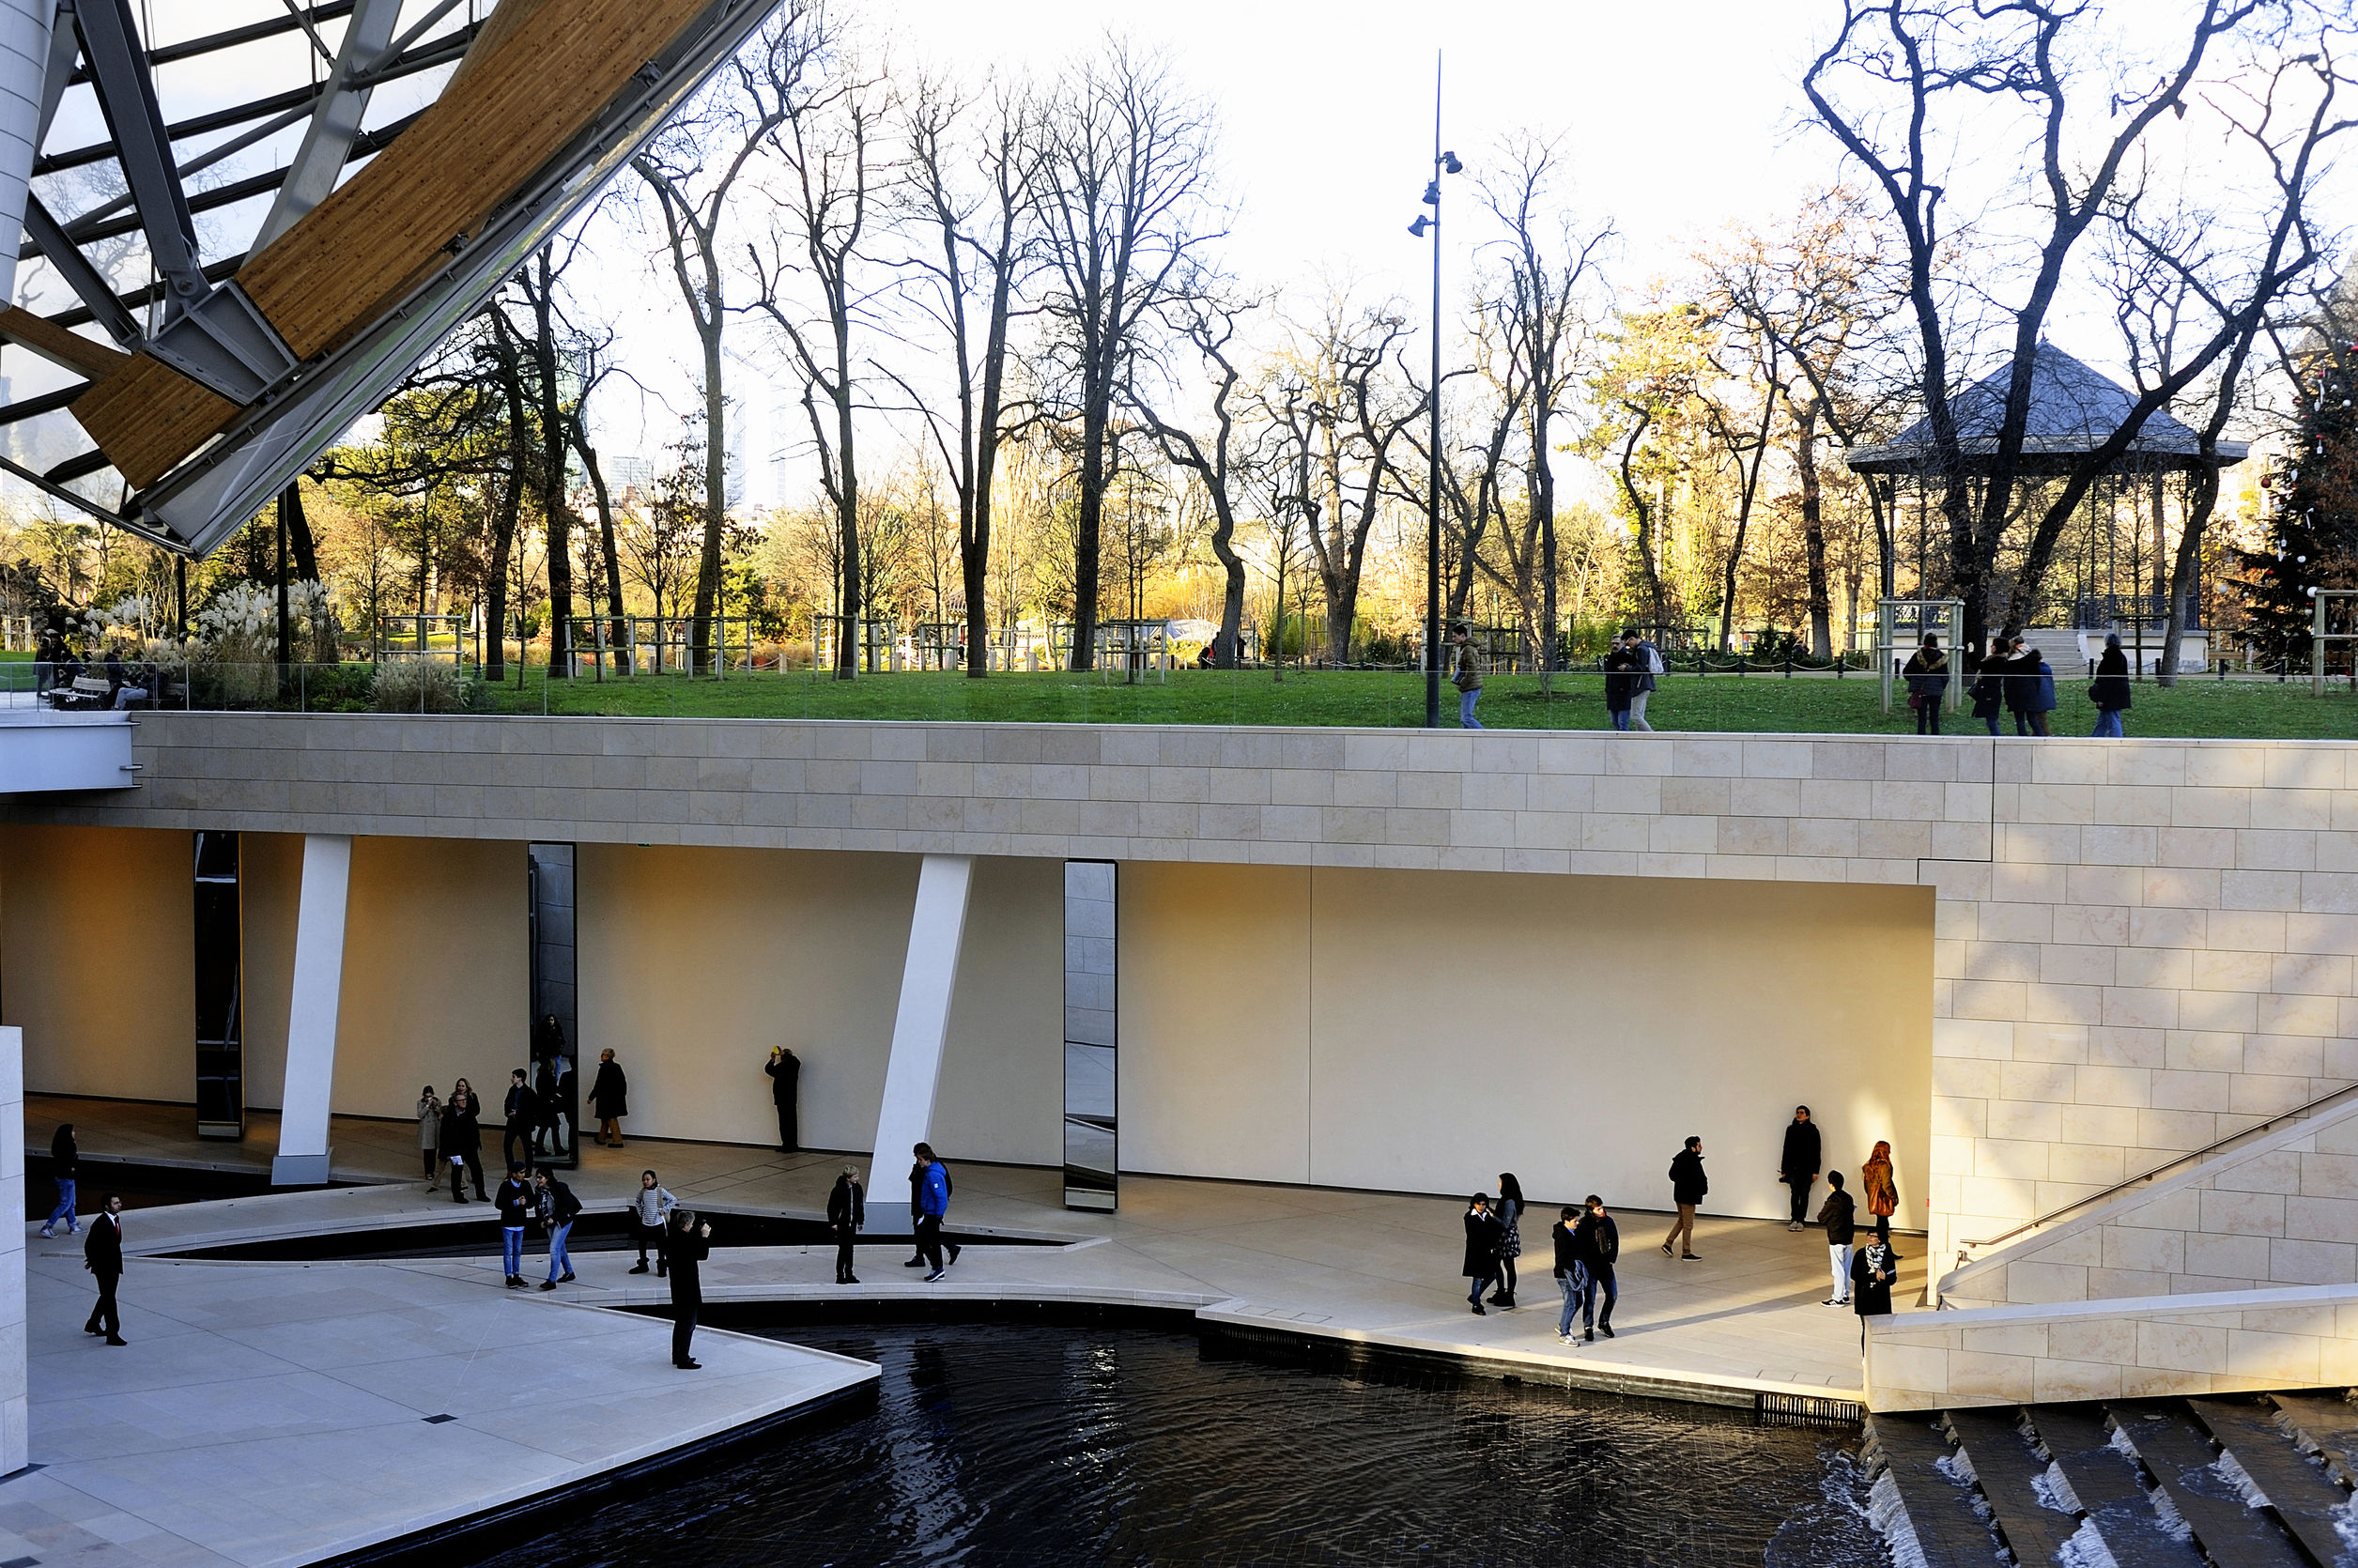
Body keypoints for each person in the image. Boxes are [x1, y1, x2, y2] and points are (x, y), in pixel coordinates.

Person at [667, 1208, 712, 1369]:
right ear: (686, 1225)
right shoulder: (684, 1242)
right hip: (688, 1289)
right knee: (688, 1324)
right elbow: (702, 1254)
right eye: (691, 1224)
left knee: (680, 1322)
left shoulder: (673, 1238)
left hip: (677, 1287)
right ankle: (683, 1359)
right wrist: (705, 1237)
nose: (693, 1226)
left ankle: (677, 1355)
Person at [1571, 1194, 1619, 1343]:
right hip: (1590, 1267)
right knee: (1590, 1298)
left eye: (1602, 1207)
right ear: (1591, 1210)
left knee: (1612, 1295)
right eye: (1598, 1208)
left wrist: (1611, 1259)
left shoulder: (1608, 1221)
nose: (1602, 1210)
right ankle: (1588, 1326)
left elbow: (1615, 1240)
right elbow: (1578, 1245)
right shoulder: (1584, 1224)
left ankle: (1604, 1321)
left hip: (1606, 1265)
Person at [84, 1193, 126, 1345]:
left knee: (107, 1296)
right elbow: (89, 1245)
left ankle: (93, 1323)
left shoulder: (115, 1219)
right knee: (110, 1299)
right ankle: (112, 1333)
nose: (119, 1205)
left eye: (119, 1202)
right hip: (104, 1268)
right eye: (115, 1203)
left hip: (114, 1266)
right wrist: (94, 1262)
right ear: (107, 1206)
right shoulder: (100, 1223)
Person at [533, 1167, 580, 1290]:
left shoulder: (560, 1187)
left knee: (554, 1248)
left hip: (563, 1221)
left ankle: (551, 1280)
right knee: (560, 1247)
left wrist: (554, 1218)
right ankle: (569, 1272)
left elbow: (568, 1205)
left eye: (540, 1178)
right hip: (549, 1222)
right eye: (537, 1177)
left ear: (547, 1177)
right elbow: (538, 1207)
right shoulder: (539, 1190)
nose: (538, 1180)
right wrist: (542, 1221)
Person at [915, 1143, 956, 1282]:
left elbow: (941, 1196)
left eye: (920, 1159)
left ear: (927, 1160)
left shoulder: (933, 1175)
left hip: (932, 1214)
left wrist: (938, 1214)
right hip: (930, 1212)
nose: (918, 1162)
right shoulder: (931, 1172)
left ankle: (937, 1267)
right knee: (933, 1240)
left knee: (924, 1239)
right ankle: (937, 1268)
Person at [1660, 1136, 1706, 1260]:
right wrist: (1699, 1188)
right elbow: (1699, 1179)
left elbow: (1672, 1175)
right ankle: (1686, 1252)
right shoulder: (1693, 1161)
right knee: (1688, 1224)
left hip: (1679, 1195)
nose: (1701, 1147)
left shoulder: (1680, 1157)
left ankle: (1668, 1243)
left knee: (1682, 1220)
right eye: (1699, 1145)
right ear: (1693, 1148)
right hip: (1688, 1197)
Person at [1778, 1106, 1821, 1234]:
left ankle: (1801, 1220)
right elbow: (1786, 1150)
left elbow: (1816, 1152)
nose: (1799, 1114)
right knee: (1794, 1194)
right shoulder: (1790, 1130)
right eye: (1797, 1112)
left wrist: (1815, 1171)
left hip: (1807, 1169)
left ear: (1807, 1115)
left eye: (1802, 1113)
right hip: (1793, 1169)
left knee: (1804, 1195)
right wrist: (1784, 1169)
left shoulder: (1813, 1130)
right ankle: (1794, 1219)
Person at [1817, 1169, 1857, 1306]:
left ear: (1831, 1184)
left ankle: (1838, 1297)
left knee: (1837, 1269)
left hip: (1836, 1238)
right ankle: (1846, 1295)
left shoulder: (1832, 1200)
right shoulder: (1848, 1198)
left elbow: (1821, 1218)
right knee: (1847, 1268)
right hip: (1849, 1237)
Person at [441, 1084, 485, 1202]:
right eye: (461, 1100)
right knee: (456, 1173)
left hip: (469, 1148)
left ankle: (481, 1194)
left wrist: (476, 1145)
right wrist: (447, 1152)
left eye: (465, 1100)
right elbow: (444, 1135)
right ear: (455, 1103)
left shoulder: (469, 1114)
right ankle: (458, 1196)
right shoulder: (449, 1117)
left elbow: (475, 1131)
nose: (464, 1102)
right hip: (455, 1149)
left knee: (477, 1171)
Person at [1461, 1192, 1503, 1315]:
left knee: (1492, 1274)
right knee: (1477, 1278)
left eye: (1484, 1204)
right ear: (1474, 1204)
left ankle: (1475, 1295)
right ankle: (1476, 1304)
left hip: (1487, 1251)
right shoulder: (1469, 1217)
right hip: (1475, 1252)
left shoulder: (1488, 1216)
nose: (1481, 1206)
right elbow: (1475, 1234)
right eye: (1479, 1204)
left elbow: (1496, 1229)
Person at [494, 1161, 533, 1289]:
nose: (523, 1175)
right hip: (508, 1223)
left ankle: (517, 1275)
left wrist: (526, 1202)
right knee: (508, 1251)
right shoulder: (505, 1186)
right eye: (521, 1173)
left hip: (520, 1222)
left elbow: (531, 1202)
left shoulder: (526, 1185)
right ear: (514, 1174)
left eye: (524, 1172)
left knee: (517, 1251)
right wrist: (516, 1202)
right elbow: (499, 1204)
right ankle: (508, 1277)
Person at [1489, 1172, 1525, 1309]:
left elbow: (1505, 1223)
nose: (1498, 1185)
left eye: (1500, 1182)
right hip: (1503, 1236)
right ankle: (1501, 1292)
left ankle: (1509, 1295)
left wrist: (1491, 1215)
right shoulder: (1506, 1199)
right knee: (1497, 1263)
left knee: (1508, 1266)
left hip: (1507, 1237)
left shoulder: (1509, 1201)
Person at [1902, 634, 1950, 735]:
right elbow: (1945, 676)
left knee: (1921, 717)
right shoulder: (1942, 657)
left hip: (1920, 689)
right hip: (1936, 690)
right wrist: (1941, 687)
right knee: (1934, 716)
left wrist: (1914, 681)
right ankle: (1935, 737)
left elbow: (1906, 672)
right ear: (1936, 642)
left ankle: (1921, 737)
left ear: (1925, 642)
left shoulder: (1917, 655)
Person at [629, 1170, 675, 1275]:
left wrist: (664, 1209)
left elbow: (673, 1199)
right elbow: (637, 1202)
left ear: (654, 1180)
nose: (645, 1182)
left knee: (661, 1246)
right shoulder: (642, 1192)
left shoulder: (660, 1190)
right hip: (645, 1223)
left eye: (648, 1179)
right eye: (644, 1180)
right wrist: (641, 1213)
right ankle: (643, 1265)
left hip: (658, 1223)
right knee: (642, 1245)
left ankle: (662, 1267)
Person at [1549, 1205, 1583, 1344]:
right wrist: (1575, 1267)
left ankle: (1563, 1324)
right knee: (1570, 1303)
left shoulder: (1573, 1232)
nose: (1577, 1223)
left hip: (1572, 1274)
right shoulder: (1563, 1236)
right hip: (1565, 1275)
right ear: (1567, 1221)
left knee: (1578, 1301)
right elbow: (1563, 1258)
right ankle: (1564, 1334)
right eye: (1575, 1221)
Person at [827, 1163, 865, 1284]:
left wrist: (860, 1220)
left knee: (850, 1250)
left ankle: (849, 1273)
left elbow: (859, 1205)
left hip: (852, 1223)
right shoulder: (838, 1190)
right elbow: (832, 1207)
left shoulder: (857, 1188)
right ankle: (840, 1275)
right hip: (842, 1223)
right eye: (855, 1177)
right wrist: (833, 1222)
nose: (857, 1179)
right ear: (848, 1178)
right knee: (843, 1250)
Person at [2091, 631, 2132, 737]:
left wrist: (2101, 697)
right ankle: (2095, 739)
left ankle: (2116, 742)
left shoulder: (2110, 657)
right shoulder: (2119, 656)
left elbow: (2107, 681)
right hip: (2116, 694)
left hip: (2111, 696)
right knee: (2103, 721)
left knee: (2113, 720)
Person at [1850, 1234, 1898, 1326]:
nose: (1869, 1238)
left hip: (1881, 1299)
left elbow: (1892, 1279)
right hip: (1864, 1297)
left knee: (1883, 1327)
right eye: (1868, 1235)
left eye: (1873, 1236)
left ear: (1880, 1239)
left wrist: (1885, 1277)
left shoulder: (1887, 1255)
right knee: (1867, 1328)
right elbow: (1854, 1275)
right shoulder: (1861, 1253)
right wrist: (1874, 1276)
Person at [41, 1122, 78, 1238]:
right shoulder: (67, 1147)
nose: (74, 1133)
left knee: (71, 1203)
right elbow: (71, 1161)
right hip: (66, 1178)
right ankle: (48, 1226)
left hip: (65, 1178)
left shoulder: (61, 1147)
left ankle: (73, 1225)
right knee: (65, 1204)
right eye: (72, 1131)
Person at [1622, 628, 1661, 731]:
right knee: (1639, 715)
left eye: (1628, 643)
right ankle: (1639, 738)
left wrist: (1627, 668)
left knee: (1636, 716)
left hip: (1641, 684)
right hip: (1646, 684)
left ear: (1632, 639)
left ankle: (1652, 737)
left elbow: (1640, 668)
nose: (1629, 646)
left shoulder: (1641, 649)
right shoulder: (1646, 647)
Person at [1861, 1139, 1899, 1245]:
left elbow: (1866, 1185)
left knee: (1881, 1223)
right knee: (1883, 1225)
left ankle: (1884, 1248)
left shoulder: (1868, 1166)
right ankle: (1885, 1249)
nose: (1890, 1152)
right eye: (1888, 1150)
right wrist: (1892, 1196)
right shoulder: (1885, 1166)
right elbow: (1887, 1185)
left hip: (1874, 1199)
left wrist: (1871, 1196)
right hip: (1883, 1198)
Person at [589, 1049, 628, 1147]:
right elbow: (623, 1083)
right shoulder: (617, 1067)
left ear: (606, 1056)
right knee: (606, 1118)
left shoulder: (604, 1068)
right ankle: (601, 1138)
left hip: (605, 1098)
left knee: (610, 1119)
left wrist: (591, 1097)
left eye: (602, 1055)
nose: (601, 1056)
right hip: (616, 1098)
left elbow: (598, 1085)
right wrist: (622, 1095)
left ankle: (617, 1141)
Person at [501, 1068, 538, 1174]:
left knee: (527, 1148)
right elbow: (507, 1102)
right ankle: (511, 1170)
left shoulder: (529, 1092)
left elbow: (531, 1109)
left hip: (524, 1124)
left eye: (514, 1076)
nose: (512, 1079)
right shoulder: (512, 1090)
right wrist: (508, 1113)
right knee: (507, 1146)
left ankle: (528, 1170)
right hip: (512, 1122)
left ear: (520, 1078)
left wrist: (517, 1113)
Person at [1449, 623, 1484, 730]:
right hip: (1471, 686)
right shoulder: (1469, 648)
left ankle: (1486, 736)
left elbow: (1472, 670)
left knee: (1466, 718)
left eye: (1455, 636)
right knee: (1465, 720)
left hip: (1470, 687)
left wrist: (1463, 684)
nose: (1453, 639)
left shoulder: (1467, 649)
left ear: (1462, 636)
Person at [766, 1046, 801, 1154]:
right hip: (780, 1098)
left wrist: (783, 1053)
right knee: (783, 1123)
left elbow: (795, 1061)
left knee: (790, 1122)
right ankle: (786, 1144)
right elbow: (769, 1070)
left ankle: (792, 1145)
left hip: (789, 1098)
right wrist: (772, 1059)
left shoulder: (793, 1063)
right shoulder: (781, 1067)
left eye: (785, 1054)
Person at [1968, 643, 2007, 737]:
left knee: (1991, 721)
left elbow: (1978, 665)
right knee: (1992, 720)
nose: (1991, 646)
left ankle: (1998, 740)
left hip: (1990, 691)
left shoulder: (1996, 660)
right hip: (1992, 691)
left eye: (1994, 645)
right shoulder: (1999, 659)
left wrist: (1971, 652)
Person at [1602, 640, 1636, 731]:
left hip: (1624, 692)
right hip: (1611, 691)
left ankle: (1624, 740)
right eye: (1613, 643)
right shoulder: (1609, 658)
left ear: (1623, 644)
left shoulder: (1628, 657)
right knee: (1614, 721)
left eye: (1617, 643)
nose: (1614, 645)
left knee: (1623, 722)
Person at [532, 1055, 561, 1157]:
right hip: (548, 1104)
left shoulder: (540, 1074)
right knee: (554, 1126)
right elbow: (553, 1090)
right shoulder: (549, 1076)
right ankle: (557, 1149)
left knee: (545, 1127)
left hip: (542, 1103)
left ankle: (540, 1148)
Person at [416, 1086, 441, 1186]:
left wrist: (434, 1106)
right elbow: (420, 1114)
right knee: (427, 1152)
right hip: (426, 1130)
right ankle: (428, 1172)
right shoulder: (420, 1102)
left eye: (430, 1095)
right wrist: (427, 1105)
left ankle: (433, 1171)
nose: (429, 1097)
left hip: (434, 1129)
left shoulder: (437, 1101)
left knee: (433, 1152)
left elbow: (440, 1113)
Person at [555, 1054, 578, 1158]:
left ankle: (572, 1151)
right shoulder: (579, 1075)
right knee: (574, 1127)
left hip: (568, 1105)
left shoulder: (565, 1076)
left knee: (572, 1127)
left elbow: (560, 1090)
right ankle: (574, 1151)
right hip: (574, 1104)